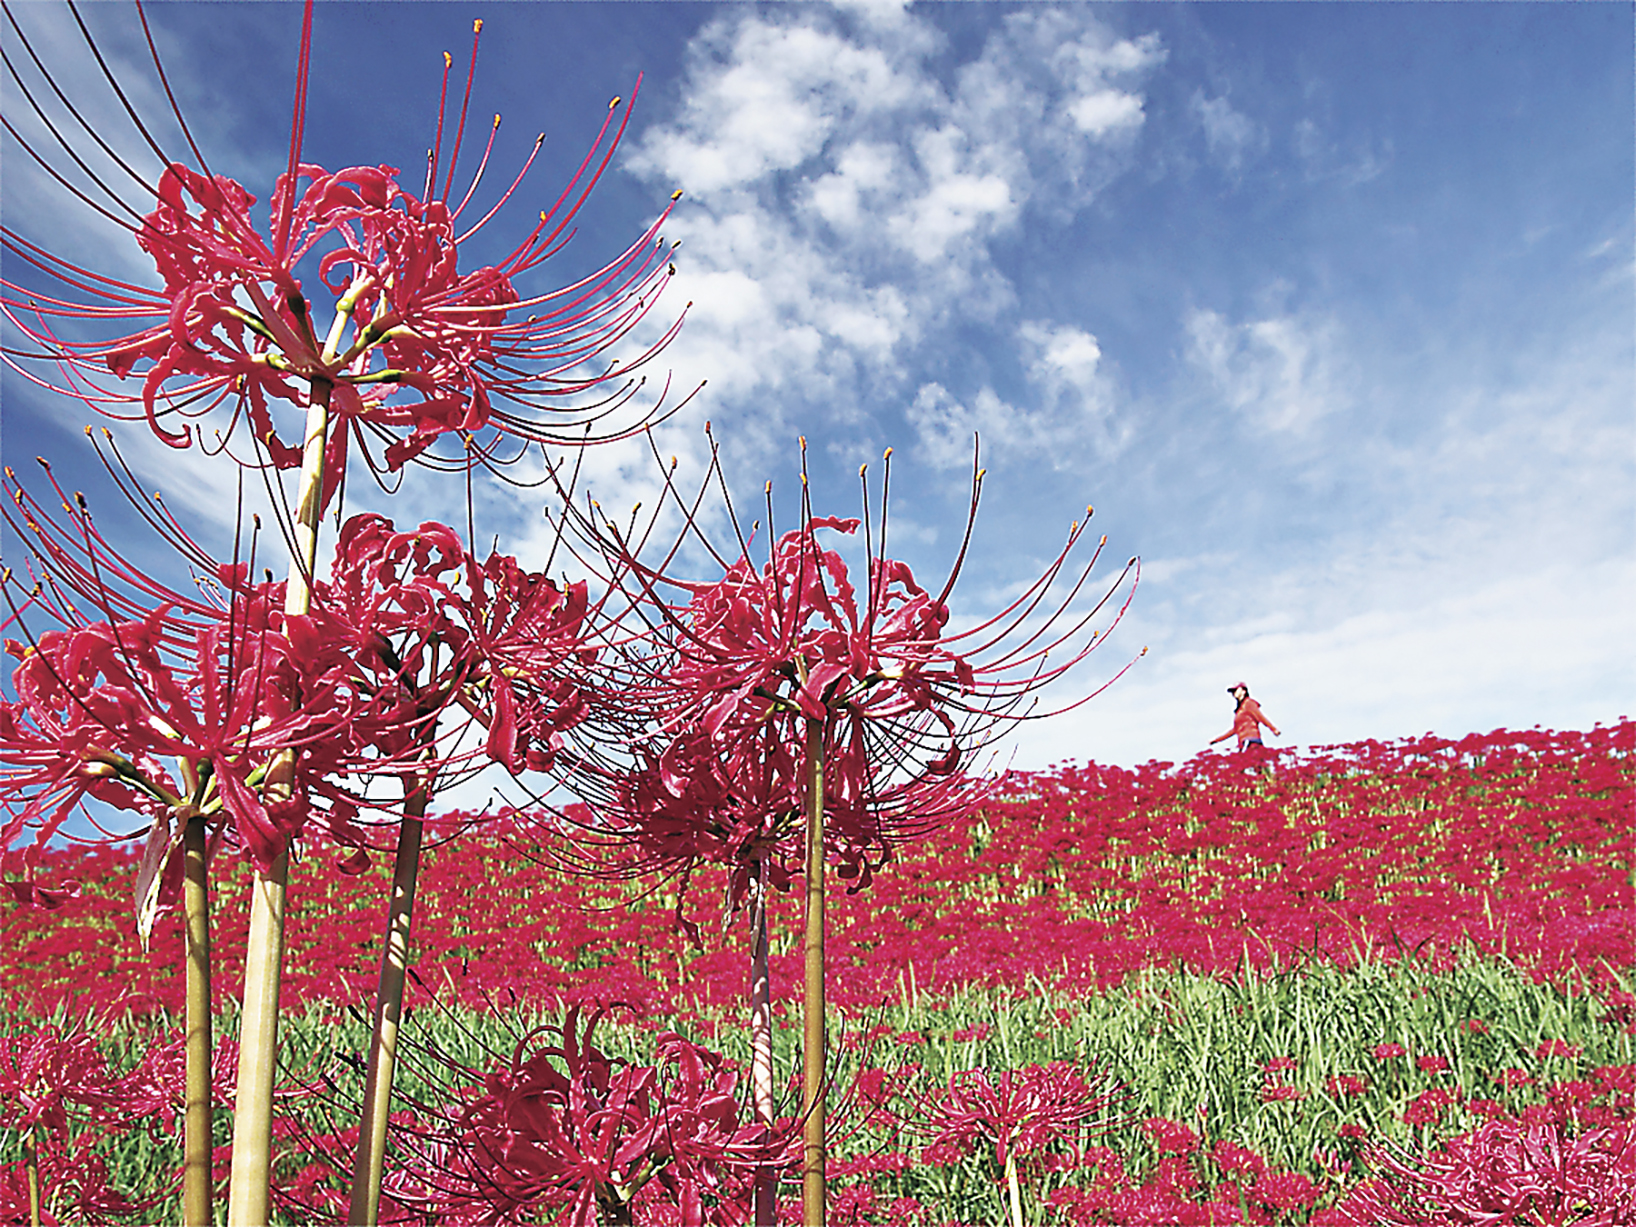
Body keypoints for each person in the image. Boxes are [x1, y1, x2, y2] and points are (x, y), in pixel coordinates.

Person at [1210, 682, 1280, 751]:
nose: (1233, 693)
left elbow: (1260, 717)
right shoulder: (1239, 710)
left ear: (1244, 691)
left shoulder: (1249, 703)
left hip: (1251, 741)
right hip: (1243, 742)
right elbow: (1235, 729)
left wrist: (1273, 729)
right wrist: (1216, 740)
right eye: (1233, 691)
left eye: (1236, 690)